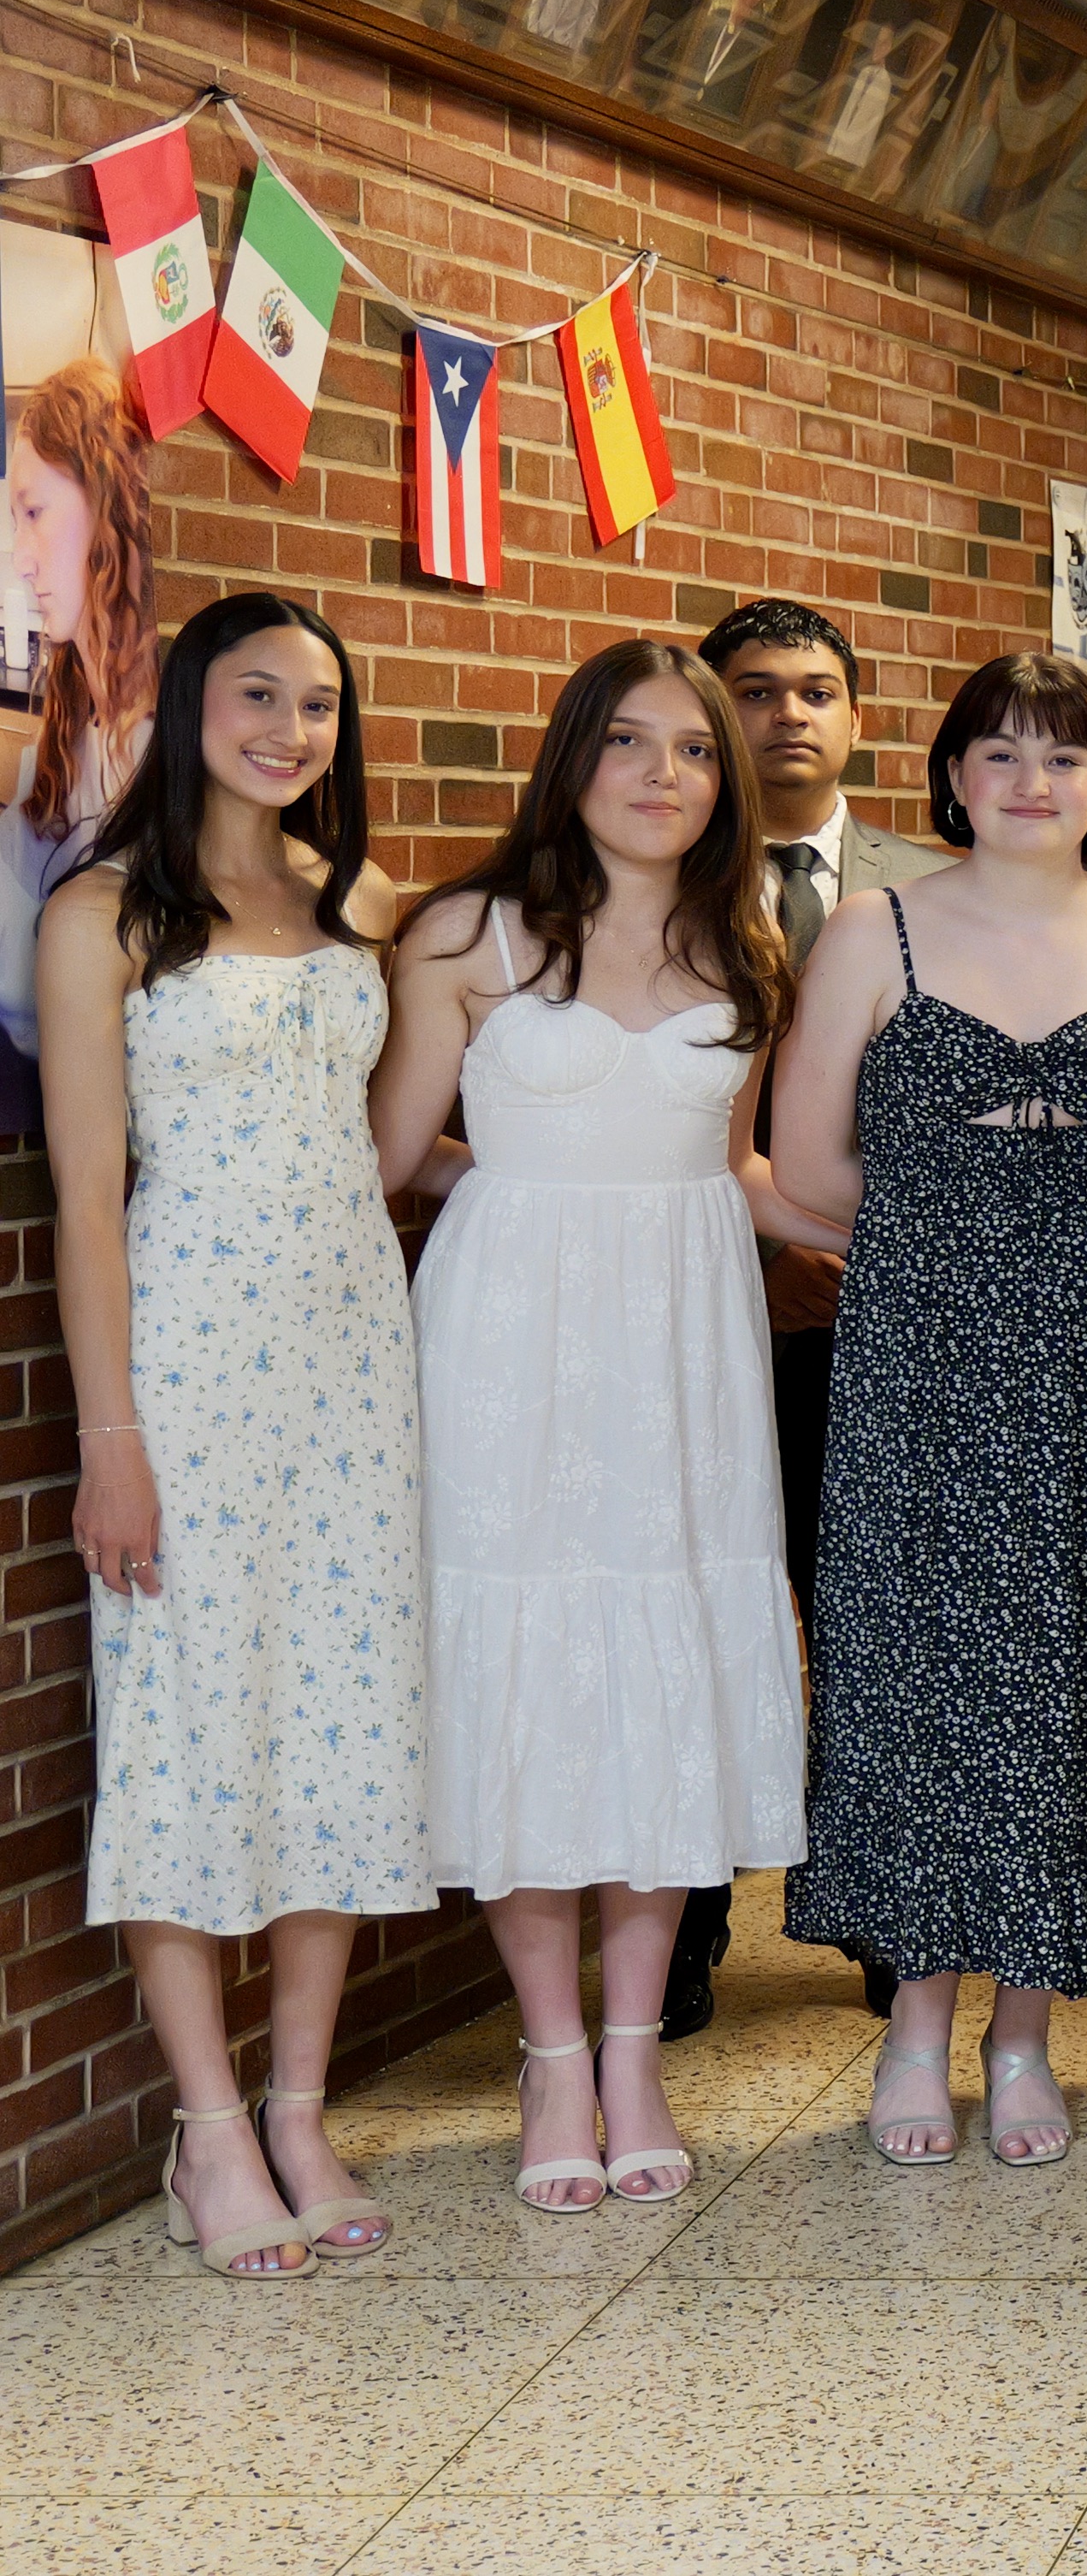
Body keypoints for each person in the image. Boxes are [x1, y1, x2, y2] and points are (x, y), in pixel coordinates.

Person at [368, 641, 827, 2215]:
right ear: (572, 758)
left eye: (694, 751)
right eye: (627, 743)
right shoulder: (470, 932)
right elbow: (390, 1153)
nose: (661, 774)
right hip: (511, 1338)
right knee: (527, 1675)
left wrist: (892, 1228)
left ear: (726, 780)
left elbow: (751, 1164)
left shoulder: (748, 944)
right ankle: (551, 2051)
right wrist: (516, 1183)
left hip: (689, 1339)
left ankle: (636, 2044)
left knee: (666, 1681)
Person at [772, 652, 1087, 2167]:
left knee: (1073, 1686)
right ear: (952, 776)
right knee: (922, 1680)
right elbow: (808, 1166)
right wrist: (952, 1241)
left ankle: (1024, 2030)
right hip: (923, 1354)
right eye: (999, 753)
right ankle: (915, 2019)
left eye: (1065, 756)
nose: (1031, 781)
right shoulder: (873, 930)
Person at [56, 592, 420, 2283]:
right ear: (194, 698)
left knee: (336, 1728)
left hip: (355, 1368)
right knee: (186, 1729)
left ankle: (297, 2102)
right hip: (186, 1374)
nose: (291, 727)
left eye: (322, 705)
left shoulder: (360, 900)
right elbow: (82, 1209)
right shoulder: (104, 913)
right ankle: (210, 2128)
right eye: (259, 694)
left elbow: (397, 1141)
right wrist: (108, 1435)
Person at [679, 596, 953, 2037]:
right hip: (691, 1310)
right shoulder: (656, 869)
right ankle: (684, 1924)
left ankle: (891, 1916)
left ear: (858, 714)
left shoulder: (931, 891)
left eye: (817, 689)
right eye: (757, 690)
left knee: (878, 1620)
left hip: (875, 1311)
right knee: (707, 1607)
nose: (789, 713)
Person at [0, 361, 157, 1116]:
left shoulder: (176, 744)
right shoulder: (55, 748)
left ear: (103, 503)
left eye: (33, 512)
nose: (21, 558)